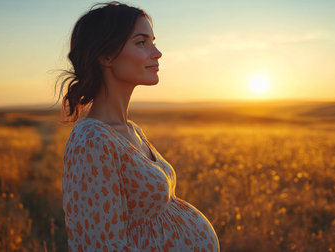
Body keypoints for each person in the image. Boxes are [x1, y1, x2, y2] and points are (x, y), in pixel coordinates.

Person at [56, 2, 220, 251]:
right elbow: (100, 246)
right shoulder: (91, 140)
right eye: (141, 42)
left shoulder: (131, 130)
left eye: (153, 41)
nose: (157, 53)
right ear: (106, 55)